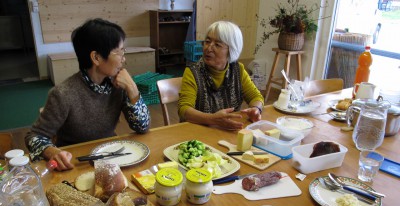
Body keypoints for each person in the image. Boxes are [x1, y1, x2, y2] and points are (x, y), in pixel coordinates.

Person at [25, 18, 150, 171]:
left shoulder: (119, 85)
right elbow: (34, 136)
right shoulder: (63, 94)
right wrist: (53, 152)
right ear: (96, 57)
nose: (123, 58)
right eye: (119, 51)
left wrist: (133, 89)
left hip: (112, 157)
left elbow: (142, 127)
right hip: (76, 164)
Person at [178, 21, 264, 130]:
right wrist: (212, 119)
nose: (209, 48)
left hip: (229, 131)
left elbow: (256, 97)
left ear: (231, 50)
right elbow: (184, 110)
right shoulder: (193, 72)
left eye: (217, 45)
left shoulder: (238, 70)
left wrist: (256, 109)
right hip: (199, 133)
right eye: (207, 41)